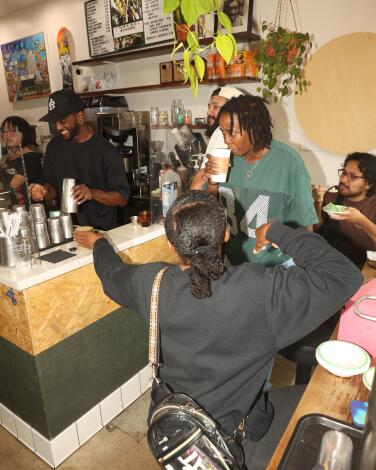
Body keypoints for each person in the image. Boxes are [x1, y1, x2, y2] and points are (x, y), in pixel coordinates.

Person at [74, 191, 362, 469]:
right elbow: (344, 275)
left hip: (176, 428)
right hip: (237, 442)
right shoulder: (261, 290)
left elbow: (110, 274)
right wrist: (275, 230)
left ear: (172, 245)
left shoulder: (150, 283)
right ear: (226, 234)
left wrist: (99, 243)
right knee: (332, 409)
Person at [192, 95, 318, 266]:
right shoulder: (226, 158)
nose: (226, 140)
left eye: (233, 132)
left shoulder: (288, 162)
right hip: (235, 266)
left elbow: (306, 226)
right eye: (223, 132)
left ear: (254, 128)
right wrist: (213, 183)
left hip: (278, 269)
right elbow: (210, 212)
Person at [29, 89, 130, 230]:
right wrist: (44, 191)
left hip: (100, 232)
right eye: (55, 122)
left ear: (80, 117)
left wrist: (92, 193)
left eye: (63, 122)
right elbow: (53, 189)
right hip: (67, 230)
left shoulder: (105, 151)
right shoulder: (54, 146)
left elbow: (122, 198)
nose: (58, 127)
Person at [312, 152, 376, 269]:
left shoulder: (373, 204)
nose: (343, 179)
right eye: (343, 173)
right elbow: (316, 228)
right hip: (328, 261)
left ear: (369, 183)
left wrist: (361, 220)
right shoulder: (332, 194)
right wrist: (318, 202)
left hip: (363, 267)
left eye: (352, 176)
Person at [0, 116, 43, 208]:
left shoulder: (31, 158)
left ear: (24, 133)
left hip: (30, 212)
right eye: (4, 131)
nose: (8, 135)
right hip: (12, 211)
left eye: (13, 131)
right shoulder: (8, 159)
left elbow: (11, 186)